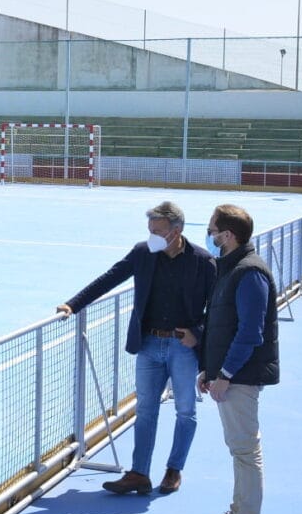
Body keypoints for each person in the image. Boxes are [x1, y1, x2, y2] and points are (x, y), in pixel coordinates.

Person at [57, 201, 216, 495]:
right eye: (150, 230)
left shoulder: (203, 262)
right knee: (145, 411)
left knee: (185, 411)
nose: (152, 235)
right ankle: (139, 473)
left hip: (183, 347)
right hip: (149, 344)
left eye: (157, 231)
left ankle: (173, 469)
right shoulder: (143, 253)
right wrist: (73, 304)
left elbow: (217, 308)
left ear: (176, 231)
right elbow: (111, 277)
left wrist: (197, 333)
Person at [198, 204, 279, 514]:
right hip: (228, 376)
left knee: (246, 451)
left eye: (213, 230)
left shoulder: (249, 273)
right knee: (239, 450)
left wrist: (225, 375)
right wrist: (210, 369)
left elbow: (249, 333)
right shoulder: (230, 268)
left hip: (240, 379)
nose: (210, 236)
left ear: (227, 235)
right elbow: (221, 325)